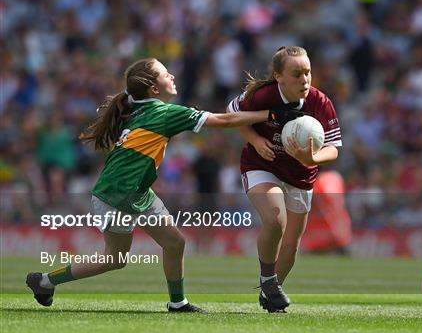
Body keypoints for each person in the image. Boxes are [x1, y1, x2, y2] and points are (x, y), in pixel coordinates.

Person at [26, 57, 294, 313]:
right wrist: (270, 115)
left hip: (134, 192)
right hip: (118, 194)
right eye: (167, 74)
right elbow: (224, 120)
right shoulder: (163, 112)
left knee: (173, 243)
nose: (173, 76)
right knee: (116, 258)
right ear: (154, 88)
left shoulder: (143, 109)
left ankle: (177, 303)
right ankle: (45, 281)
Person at [227, 46, 342, 312]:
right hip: (262, 164)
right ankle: (268, 280)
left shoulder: (320, 102)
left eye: (308, 72)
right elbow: (233, 116)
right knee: (275, 218)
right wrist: (255, 140)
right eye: (296, 74)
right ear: (278, 76)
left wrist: (312, 158)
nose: (304, 80)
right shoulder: (262, 96)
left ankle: (271, 293)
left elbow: (334, 148)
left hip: (301, 175)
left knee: (291, 246)